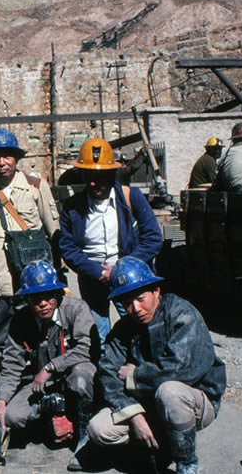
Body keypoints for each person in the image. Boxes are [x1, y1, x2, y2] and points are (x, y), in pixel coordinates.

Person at [87, 256, 226, 474]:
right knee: (98, 428)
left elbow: (182, 369)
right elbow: (107, 373)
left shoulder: (181, 313)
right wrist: (134, 415)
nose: (136, 308)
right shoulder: (124, 328)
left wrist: (134, 376)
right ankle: (154, 444)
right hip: (147, 404)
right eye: (127, 303)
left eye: (141, 298)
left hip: (194, 401)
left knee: (169, 392)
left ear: (156, 291)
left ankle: (186, 462)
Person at [0, 128, 60, 373]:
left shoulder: (36, 187)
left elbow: (55, 234)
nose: (2, 162)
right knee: (0, 341)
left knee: (39, 338)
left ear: (16, 159)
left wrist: (58, 276)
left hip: (35, 283)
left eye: (7, 156)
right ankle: (3, 385)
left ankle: (40, 383)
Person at [0, 260, 97, 471]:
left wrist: (51, 367)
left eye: (48, 296)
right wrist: (1, 402)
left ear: (57, 294)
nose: (43, 303)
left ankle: (85, 434)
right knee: (11, 416)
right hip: (43, 384)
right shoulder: (21, 319)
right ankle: (49, 413)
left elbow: (86, 349)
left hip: (71, 374)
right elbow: (11, 364)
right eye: (35, 298)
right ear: (27, 299)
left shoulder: (76, 309)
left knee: (81, 377)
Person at [58, 137, 163, 346]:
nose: (92, 183)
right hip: (93, 279)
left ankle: (140, 364)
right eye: (87, 176)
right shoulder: (72, 206)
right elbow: (68, 248)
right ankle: (106, 365)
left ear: (111, 173)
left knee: (140, 329)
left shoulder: (131, 197)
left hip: (130, 279)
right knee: (99, 335)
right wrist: (99, 271)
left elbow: (153, 238)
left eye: (98, 176)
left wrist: (121, 268)